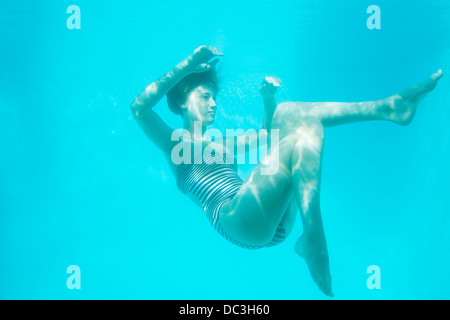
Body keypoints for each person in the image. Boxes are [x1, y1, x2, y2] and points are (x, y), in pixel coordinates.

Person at [130, 45, 443, 297]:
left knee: (291, 114)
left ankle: (388, 106)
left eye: (214, 97)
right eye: (205, 96)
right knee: (295, 133)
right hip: (235, 219)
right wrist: (189, 63)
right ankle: (314, 237)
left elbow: (270, 138)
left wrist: (268, 100)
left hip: (273, 220)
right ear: (182, 101)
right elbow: (139, 108)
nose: (214, 103)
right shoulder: (175, 142)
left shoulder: (224, 144)